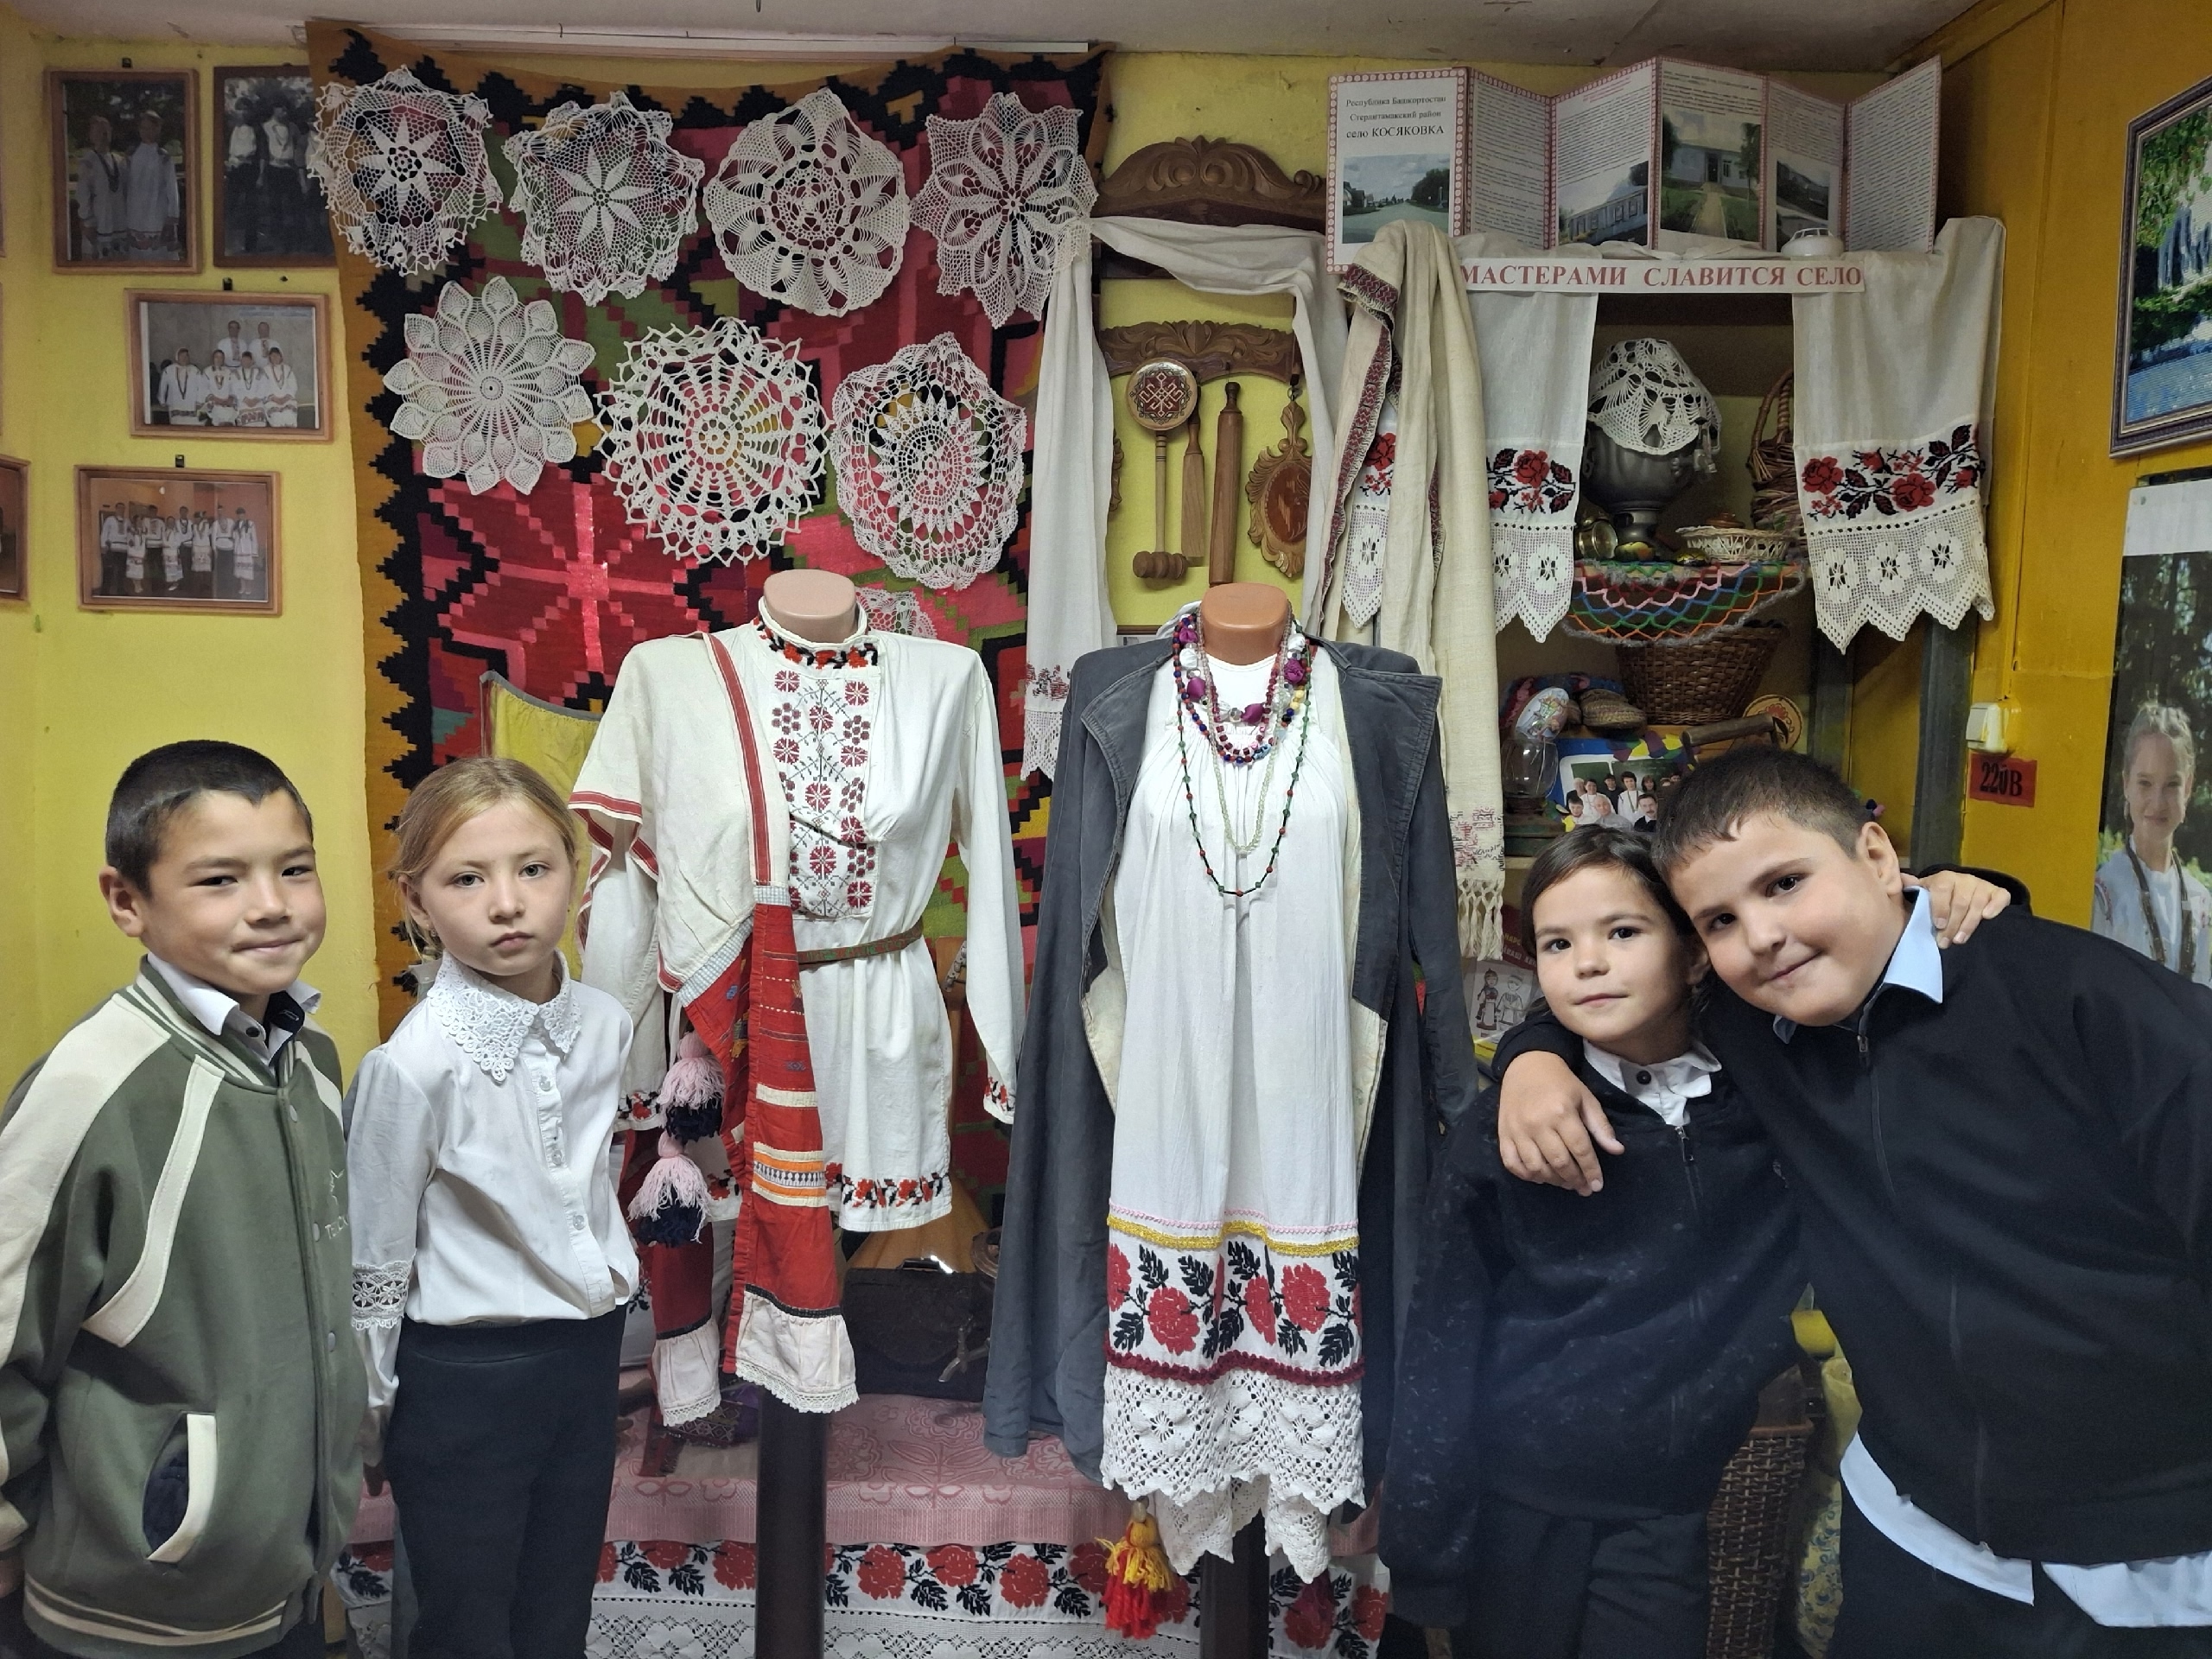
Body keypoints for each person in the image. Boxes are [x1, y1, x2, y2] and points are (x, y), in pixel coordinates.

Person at [1491, 744, 2212, 1658]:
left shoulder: (2094, 1009)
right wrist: (1532, 1058)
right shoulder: (1752, 1025)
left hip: (2139, 1565)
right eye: (1719, 920)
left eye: (1785, 883)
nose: (1760, 935)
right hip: (1913, 1530)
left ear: (1875, 855)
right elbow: (1619, 996)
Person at [1383, 828, 1806, 1657]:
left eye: (1622, 931)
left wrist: (1955, 890)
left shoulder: (1767, 1098)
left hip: (1668, 1502)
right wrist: (1424, 1555)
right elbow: (1441, 1336)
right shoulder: (1507, 1129)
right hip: (1516, 1501)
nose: (1588, 963)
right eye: (1556, 943)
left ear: (1693, 952)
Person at [0, 741, 359, 1658]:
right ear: (127, 901)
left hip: (280, 1583)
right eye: (219, 880)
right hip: (131, 1610)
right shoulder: (91, 1088)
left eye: (294, 869)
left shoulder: (310, 1061)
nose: (272, 904)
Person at [346, 758, 637, 1656]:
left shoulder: (606, 1024)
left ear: (577, 872)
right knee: (466, 1624)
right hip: (463, 1381)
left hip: (583, 1359)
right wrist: (372, 1415)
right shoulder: (414, 1066)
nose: (507, 904)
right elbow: (375, 1258)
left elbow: (587, 1186)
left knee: (557, 1609)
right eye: (467, 880)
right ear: (417, 901)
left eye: (533, 868)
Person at [2093, 702, 2212, 986]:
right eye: (2145, 783)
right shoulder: (2104, 892)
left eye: (2172, 785)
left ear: (2188, 787)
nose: (2157, 803)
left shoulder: (2201, 902)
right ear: (2126, 784)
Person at [121, 109, 181, 261]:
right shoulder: (131, 156)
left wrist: (172, 216)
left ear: (157, 129)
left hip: (157, 215)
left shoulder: (163, 157)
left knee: (160, 259)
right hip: (135, 215)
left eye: (151, 128)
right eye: (144, 128)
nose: (147, 132)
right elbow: (124, 185)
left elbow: (171, 188)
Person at [72, 114, 124, 259]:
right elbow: (83, 194)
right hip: (98, 225)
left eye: (106, 131)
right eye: (99, 132)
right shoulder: (88, 162)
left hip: (119, 225)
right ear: (92, 136)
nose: (103, 135)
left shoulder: (120, 161)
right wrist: (87, 222)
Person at [157, 346, 204, 425]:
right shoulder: (169, 370)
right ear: (177, 357)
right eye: (182, 356)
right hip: (175, 403)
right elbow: (163, 386)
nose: (184, 358)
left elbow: (201, 387)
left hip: (191, 403)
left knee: (192, 425)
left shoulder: (195, 370)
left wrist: (199, 401)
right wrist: (162, 400)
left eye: (186, 356)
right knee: (177, 425)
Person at [230, 507, 262, 601]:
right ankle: (242, 587)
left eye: (242, 514)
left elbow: (254, 538)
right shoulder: (236, 525)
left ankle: (249, 588)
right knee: (240, 571)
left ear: (244, 514)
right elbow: (234, 537)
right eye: (239, 515)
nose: (240, 516)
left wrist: (254, 552)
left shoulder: (250, 524)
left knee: (247, 570)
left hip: (247, 550)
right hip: (239, 550)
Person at [98, 499, 128, 594]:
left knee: (122, 571)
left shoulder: (127, 522)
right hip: (112, 548)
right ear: (116, 509)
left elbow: (130, 534)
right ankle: (105, 591)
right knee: (109, 570)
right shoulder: (110, 520)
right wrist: (103, 546)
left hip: (123, 549)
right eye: (119, 508)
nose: (121, 510)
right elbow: (104, 533)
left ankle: (121, 590)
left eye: (123, 508)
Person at [264, 346, 300, 428]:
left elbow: (293, 385)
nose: (275, 358)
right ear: (269, 358)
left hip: (287, 400)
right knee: (276, 416)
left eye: (277, 355)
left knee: (289, 414)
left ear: (281, 356)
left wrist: (285, 398)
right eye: (272, 356)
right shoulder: (265, 370)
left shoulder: (288, 369)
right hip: (272, 400)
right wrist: (274, 398)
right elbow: (264, 387)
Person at [204, 351, 238, 427]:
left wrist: (230, 398)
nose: (219, 359)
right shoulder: (207, 371)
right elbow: (204, 388)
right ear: (213, 359)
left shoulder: (228, 371)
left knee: (231, 418)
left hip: (227, 402)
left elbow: (233, 387)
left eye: (221, 357)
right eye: (217, 357)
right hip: (214, 402)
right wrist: (215, 399)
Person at [235, 355, 269, 428]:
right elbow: (235, 389)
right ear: (241, 361)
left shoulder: (259, 372)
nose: (246, 362)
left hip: (257, 401)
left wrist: (256, 399)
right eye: (244, 360)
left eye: (248, 360)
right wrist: (246, 400)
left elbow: (263, 386)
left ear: (252, 361)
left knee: (260, 418)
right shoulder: (236, 374)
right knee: (245, 419)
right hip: (243, 401)